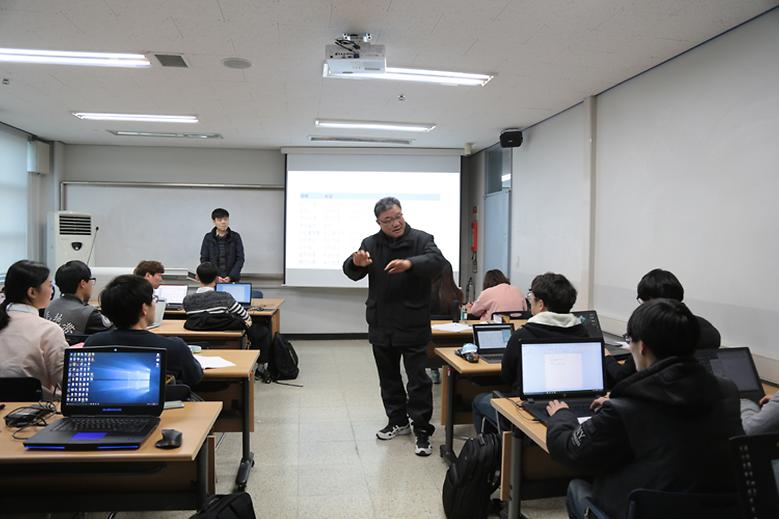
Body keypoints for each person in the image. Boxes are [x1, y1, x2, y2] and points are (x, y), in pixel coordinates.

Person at [546, 299, 743, 519]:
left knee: (577, 488)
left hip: (646, 511)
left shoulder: (629, 407)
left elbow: (572, 452)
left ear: (642, 346)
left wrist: (561, 416)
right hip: (718, 511)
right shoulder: (725, 391)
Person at [342, 197, 445, 456]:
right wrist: (356, 263)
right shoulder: (371, 243)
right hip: (381, 323)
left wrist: (410, 264)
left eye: (398, 216)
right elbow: (352, 271)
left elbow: (437, 263)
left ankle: (422, 429)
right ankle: (397, 420)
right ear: (379, 222)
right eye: (388, 220)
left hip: (412, 324)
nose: (395, 223)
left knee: (418, 381)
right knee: (388, 378)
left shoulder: (422, 239)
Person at [472, 272, 588, 433]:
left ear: (541, 304)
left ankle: (493, 453)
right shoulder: (582, 332)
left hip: (528, 408)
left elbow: (506, 375)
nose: (529, 300)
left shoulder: (522, 335)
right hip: (574, 406)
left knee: (479, 400)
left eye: (531, 297)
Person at [605, 268, 721, 386]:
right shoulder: (707, 329)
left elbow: (622, 377)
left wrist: (607, 357)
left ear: (652, 302)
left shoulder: (655, 331)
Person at [84, 274, 203, 387]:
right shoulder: (174, 347)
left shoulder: (93, 344)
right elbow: (195, 378)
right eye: (152, 299)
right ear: (144, 308)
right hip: (166, 408)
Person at [0, 260, 68, 397]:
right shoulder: (49, 330)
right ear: (32, 292)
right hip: (34, 411)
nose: (52, 290)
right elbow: (65, 382)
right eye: (49, 285)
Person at [184, 262, 270, 368]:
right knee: (261, 329)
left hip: (198, 343)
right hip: (227, 340)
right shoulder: (224, 297)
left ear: (196, 277)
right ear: (216, 278)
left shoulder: (187, 300)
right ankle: (259, 366)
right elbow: (245, 317)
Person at [45, 260, 112, 335]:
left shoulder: (49, 306)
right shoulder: (89, 314)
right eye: (91, 280)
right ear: (83, 283)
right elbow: (115, 329)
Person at [200, 208, 245, 283]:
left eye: (225, 219)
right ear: (214, 221)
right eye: (220, 220)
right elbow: (204, 259)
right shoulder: (208, 237)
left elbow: (240, 259)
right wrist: (214, 277)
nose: (223, 222)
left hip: (232, 280)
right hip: (213, 281)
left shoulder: (235, 237)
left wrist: (231, 276)